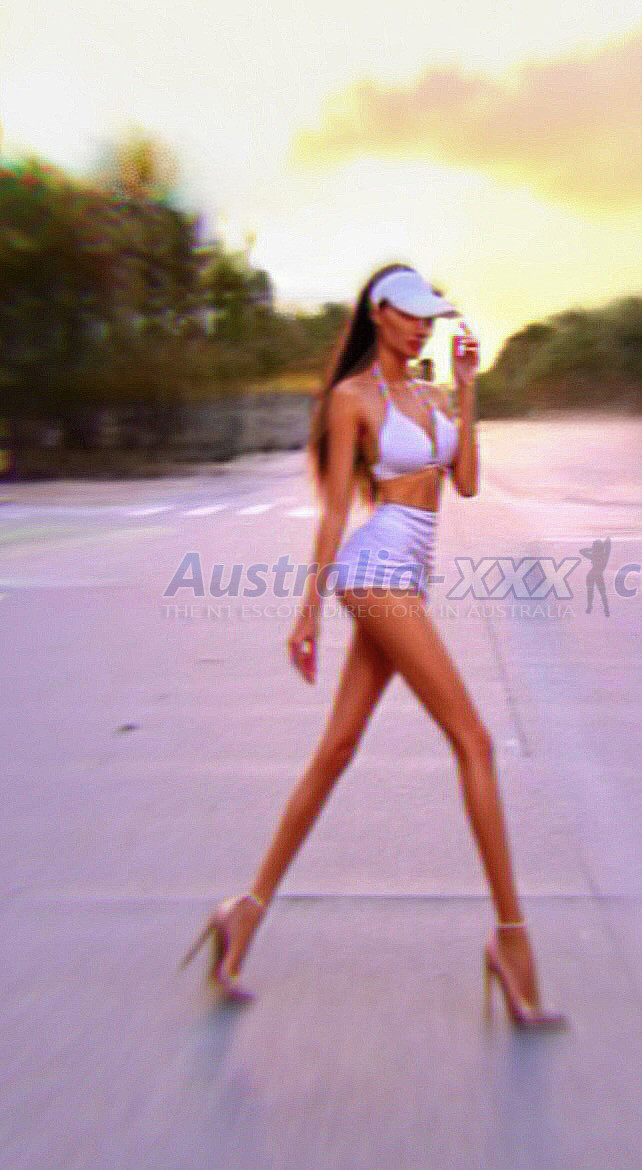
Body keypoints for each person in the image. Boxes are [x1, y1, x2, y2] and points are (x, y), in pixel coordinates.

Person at [179, 262, 567, 1030]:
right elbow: (333, 512)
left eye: (431, 316)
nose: (423, 327)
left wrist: (468, 389)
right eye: (411, 314)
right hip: (375, 571)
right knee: (475, 741)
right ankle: (512, 942)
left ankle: (243, 914)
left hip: (408, 577)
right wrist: (308, 612)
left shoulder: (431, 393)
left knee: (336, 750)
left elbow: (466, 484)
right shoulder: (351, 400)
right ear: (379, 313)